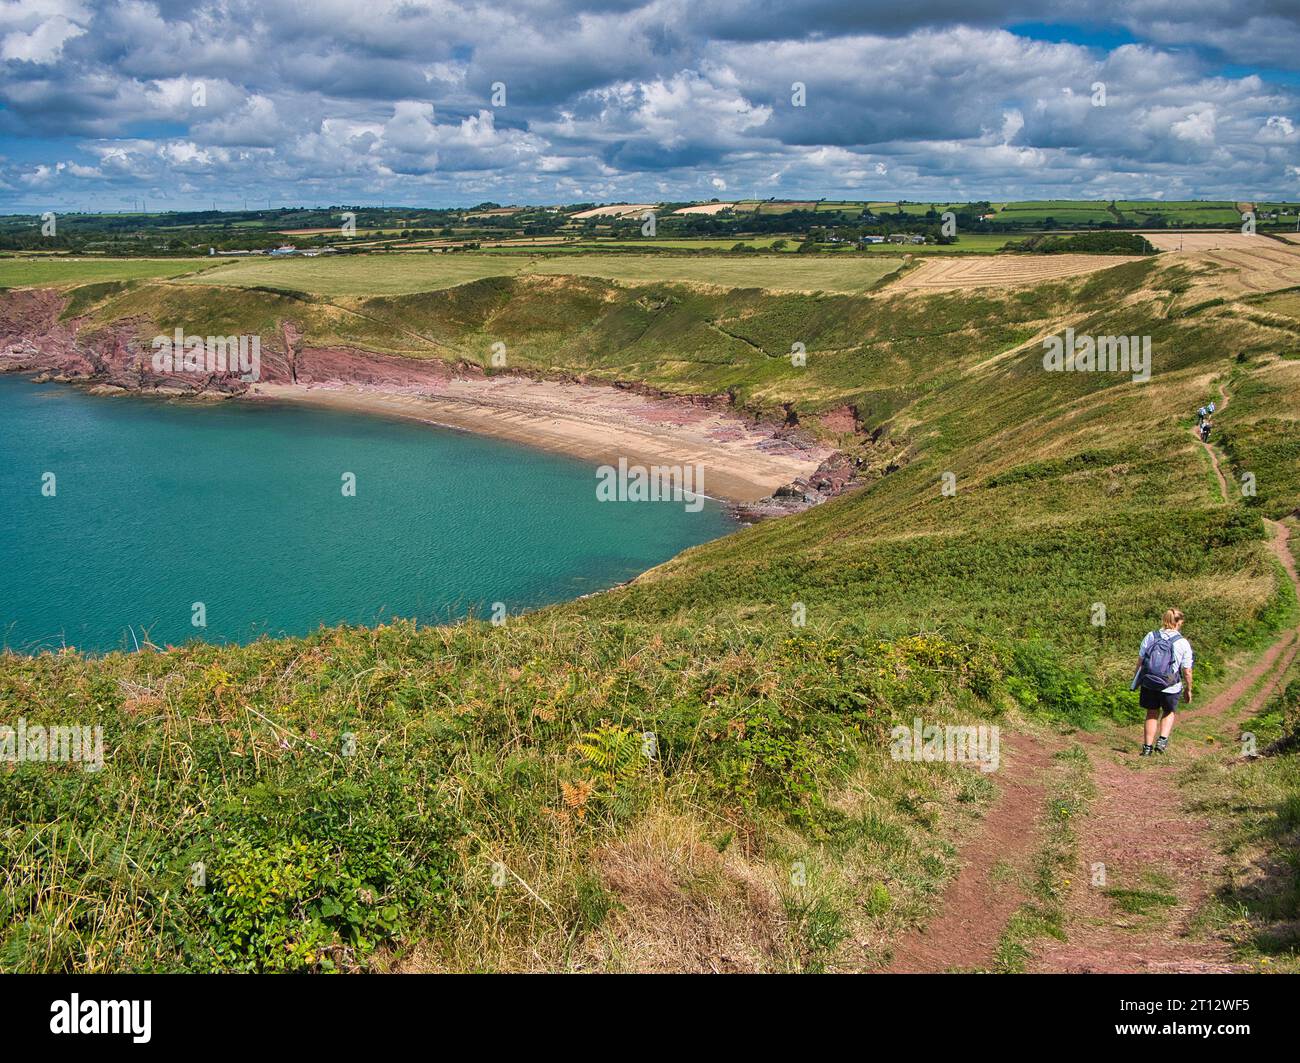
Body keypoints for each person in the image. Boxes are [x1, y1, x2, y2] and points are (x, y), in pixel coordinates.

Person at [1135, 609, 1193, 756]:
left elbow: (1141, 660)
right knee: (1168, 711)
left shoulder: (1151, 636)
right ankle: (1162, 740)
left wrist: (1137, 678)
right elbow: (1187, 670)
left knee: (1151, 713)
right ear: (1179, 623)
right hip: (1170, 685)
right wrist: (1188, 689)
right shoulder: (1182, 642)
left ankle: (1147, 748)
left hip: (1149, 682)